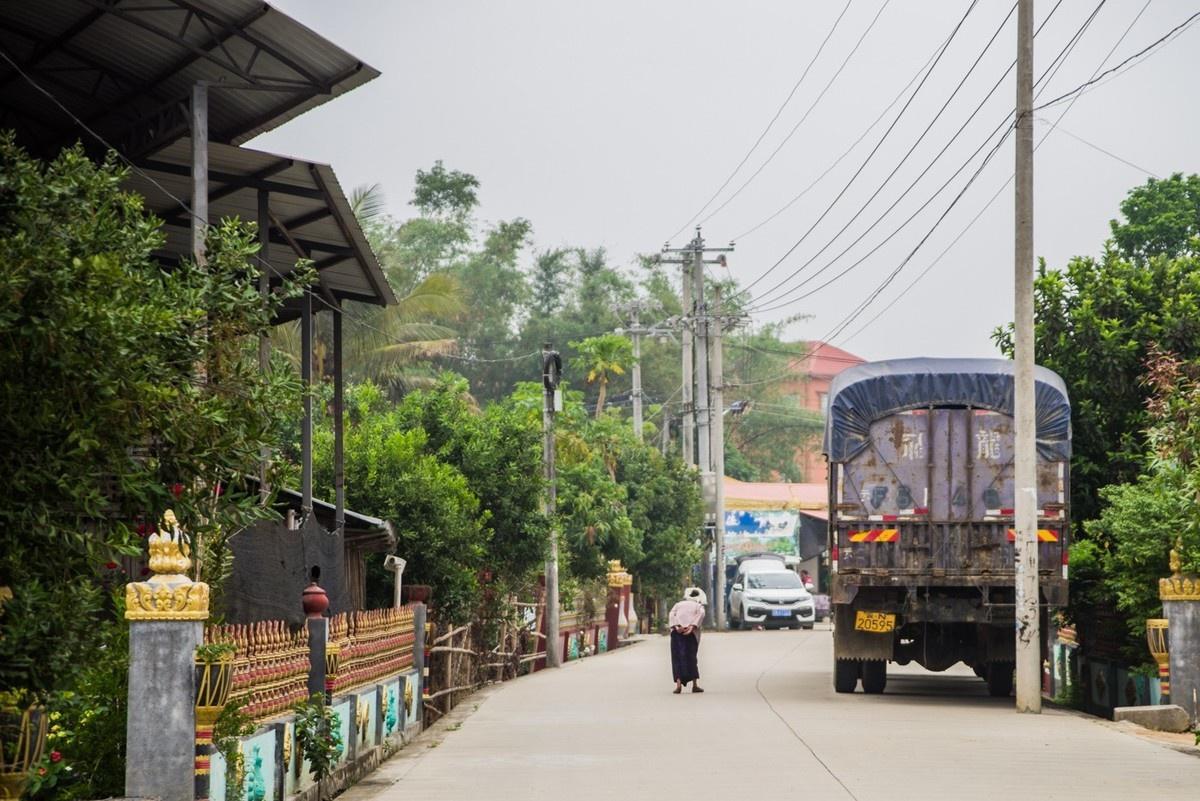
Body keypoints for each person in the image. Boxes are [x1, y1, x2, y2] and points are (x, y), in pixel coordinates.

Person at [668, 587, 706, 694]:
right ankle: (695, 685)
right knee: (692, 658)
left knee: (677, 658)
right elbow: (701, 614)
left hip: (677, 633)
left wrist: (676, 626)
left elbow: (672, 614)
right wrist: (692, 626)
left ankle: (678, 685)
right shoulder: (699, 605)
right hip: (691, 634)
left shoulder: (678, 604)